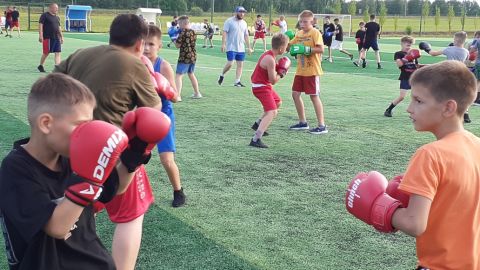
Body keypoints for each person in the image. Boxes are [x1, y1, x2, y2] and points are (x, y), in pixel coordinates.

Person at [346, 60, 480, 269]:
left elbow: (415, 224)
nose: (409, 108)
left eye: (418, 101)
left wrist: (379, 206)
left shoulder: (430, 155)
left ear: (448, 108)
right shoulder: (476, 144)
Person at [54, 14, 162, 270]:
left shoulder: (81, 54)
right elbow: (153, 113)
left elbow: (53, 83)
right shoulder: (134, 64)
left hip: (66, 150)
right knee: (131, 215)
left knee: (70, 216)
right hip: (108, 153)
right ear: (139, 44)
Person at [0, 73, 135, 270]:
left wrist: (137, 154)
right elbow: (56, 227)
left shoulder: (73, 158)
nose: (87, 132)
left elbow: (117, 189)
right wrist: (88, 181)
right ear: (46, 123)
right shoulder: (15, 169)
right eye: (81, 125)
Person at [143, 24, 187, 206]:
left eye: (151, 44)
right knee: (131, 158)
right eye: (144, 44)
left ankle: (179, 192)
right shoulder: (136, 64)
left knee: (166, 159)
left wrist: (165, 88)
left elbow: (177, 97)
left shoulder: (163, 65)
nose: (146, 48)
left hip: (163, 117)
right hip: (142, 116)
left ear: (159, 46)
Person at [288, 10, 328, 134]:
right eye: (301, 21)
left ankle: (322, 126)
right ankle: (302, 122)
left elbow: (321, 49)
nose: (302, 24)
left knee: (314, 96)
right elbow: (289, 46)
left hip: (312, 70)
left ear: (311, 21)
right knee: (295, 94)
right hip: (300, 70)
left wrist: (306, 49)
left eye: (305, 21)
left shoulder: (315, 33)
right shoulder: (299, 33)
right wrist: (286, 39)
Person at [419, 31, 471, 122]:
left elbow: (433, 53)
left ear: (455, 39)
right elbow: (467, 63)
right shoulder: (466, 51)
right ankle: (465, 114)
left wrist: (426, 47)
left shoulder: (449, 49)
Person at [249, 33, 290, 148]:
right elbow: (273, 80)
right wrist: (282, 73)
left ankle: (258, 124)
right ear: (281, 48)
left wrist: (280, 67)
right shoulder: (270, 59)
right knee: (272, 112)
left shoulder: (269, 54)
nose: (286, 48)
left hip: (263, 85)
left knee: (277, 102)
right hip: (261, 87)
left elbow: (271, 71)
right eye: (286, 46)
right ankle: (256, 139)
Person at [384, 36, 421, 118]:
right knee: (402, 97)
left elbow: (416, 66)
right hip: (405, 77)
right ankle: (389, 109)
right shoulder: (398, 54)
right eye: (407, 45)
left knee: (416, 96)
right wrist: (407, 57)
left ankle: (413, 113)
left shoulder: (413, 53)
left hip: (414, 78)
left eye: (410, 45)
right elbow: (399, 64)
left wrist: (426, 67)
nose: (409, 47)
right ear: (402, 44)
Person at [218, 6, 253, 87]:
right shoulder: (229, 21)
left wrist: (249, 47)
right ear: (236, 12)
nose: (242, 14)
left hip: (241, 47)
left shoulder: (244, 23)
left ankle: (237, 81)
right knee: (230, 63)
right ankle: (222, 75)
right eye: (240, 12)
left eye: (243, 12)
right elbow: (224, 32)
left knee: (240, 64)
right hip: (231, 47)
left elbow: (246, 36)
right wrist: (223, 44)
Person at [175, 15, 202, 100]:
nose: (178, 25)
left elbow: (177, 45)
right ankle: (197, 93)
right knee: (191, 74)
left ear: (182, 23)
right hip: (193, 55)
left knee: (178, 75)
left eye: (179, 23)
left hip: (184, 56)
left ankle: (178, 95)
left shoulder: (182, 33)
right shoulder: (193, 32)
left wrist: (173, 38)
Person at [38, 3, 63, 73]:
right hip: (48, 37)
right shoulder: (45, 15)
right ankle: (41, 65)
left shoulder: (57, 17)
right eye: (56, 8)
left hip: (56, 37)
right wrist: (40, 35)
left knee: (57, 52)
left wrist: (61, 37)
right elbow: (40, 25)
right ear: (51, 8)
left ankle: (57, 67)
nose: (57, 10)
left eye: (57, 8)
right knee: (46, 52)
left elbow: (59, 28)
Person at [469, 30, 480, 106]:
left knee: (477, 81)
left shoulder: (478, 40)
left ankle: (476, 99)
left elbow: (471, 50)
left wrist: (474, 42)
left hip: (479, 63)